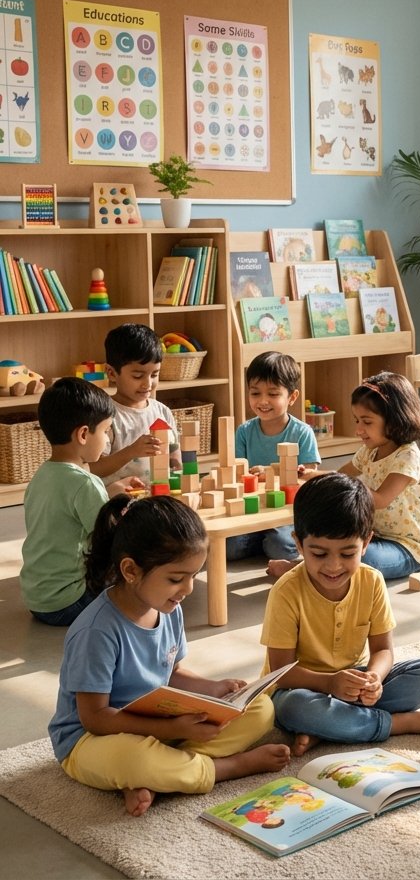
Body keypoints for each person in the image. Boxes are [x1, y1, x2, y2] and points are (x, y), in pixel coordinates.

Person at [47, 495, 290, 816]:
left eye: (193, 575)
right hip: (92, 740)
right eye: (177, 578)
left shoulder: (168, 607)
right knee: (134, 759)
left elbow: (171, 673)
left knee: (260, 708)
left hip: (157, 726)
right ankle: (224, 768)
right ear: (131, 570)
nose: (188, 589)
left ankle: (161, 775)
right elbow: (95, 718)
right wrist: (174, 730)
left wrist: (216, 690)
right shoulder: (96, 631)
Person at [262, 473, 420, 754]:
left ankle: (334, 728)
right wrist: (329, 683)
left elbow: (383, 650)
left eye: (347, 554)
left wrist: (374, 678)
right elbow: (280, 674)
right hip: (302, 688)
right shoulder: (286, 591)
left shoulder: (372, 580)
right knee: (293, 709)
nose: (333, 566)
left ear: (366, 542)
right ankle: (397, 724)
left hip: (355, 682)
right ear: (298, 544)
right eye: (319, 554)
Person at [20, 378, 143, 626]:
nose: (108, 440)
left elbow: (67, 513)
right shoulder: (85, 483)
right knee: (135, 573)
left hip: (38, 599)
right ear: (84, 434)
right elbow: (110, 539)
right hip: (69, 602)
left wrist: (111, 492)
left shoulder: (41, 476)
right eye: (106, 431)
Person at [338, 371, 420, 580]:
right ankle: (301, 567)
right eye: (356, 420)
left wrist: (346, 485)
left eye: (366, 421)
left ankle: (304, 569)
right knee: (330, 544)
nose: (358, 430)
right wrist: (313, 476)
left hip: (408, 549)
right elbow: (341, 474)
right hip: (372, 536)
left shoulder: (407, 457)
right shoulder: (369, 450)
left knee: (360, 559)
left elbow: (381, 499)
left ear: (394, 421)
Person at [233, 351, 320, 575]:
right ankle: (259, 538)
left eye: (273, 394)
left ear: (292, 397)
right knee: (229, 547)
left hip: (285, 512)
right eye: (255, 393)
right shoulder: (244, 431)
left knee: (280, 545)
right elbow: (235, 471)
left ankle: (266, 540)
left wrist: (272, 472)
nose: (263, 401)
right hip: (253, 508)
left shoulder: (302, 432)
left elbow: (309, 478)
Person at [91, 323, 181, 485]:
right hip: (120, 501)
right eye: (138, 376)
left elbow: (174, 452)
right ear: (111, 373)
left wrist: (177, 466)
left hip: (158, 497)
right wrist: (131, 452)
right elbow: (94, 468)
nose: (148, 384)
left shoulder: (162, 411)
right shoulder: (105, 416)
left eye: (154, 374)